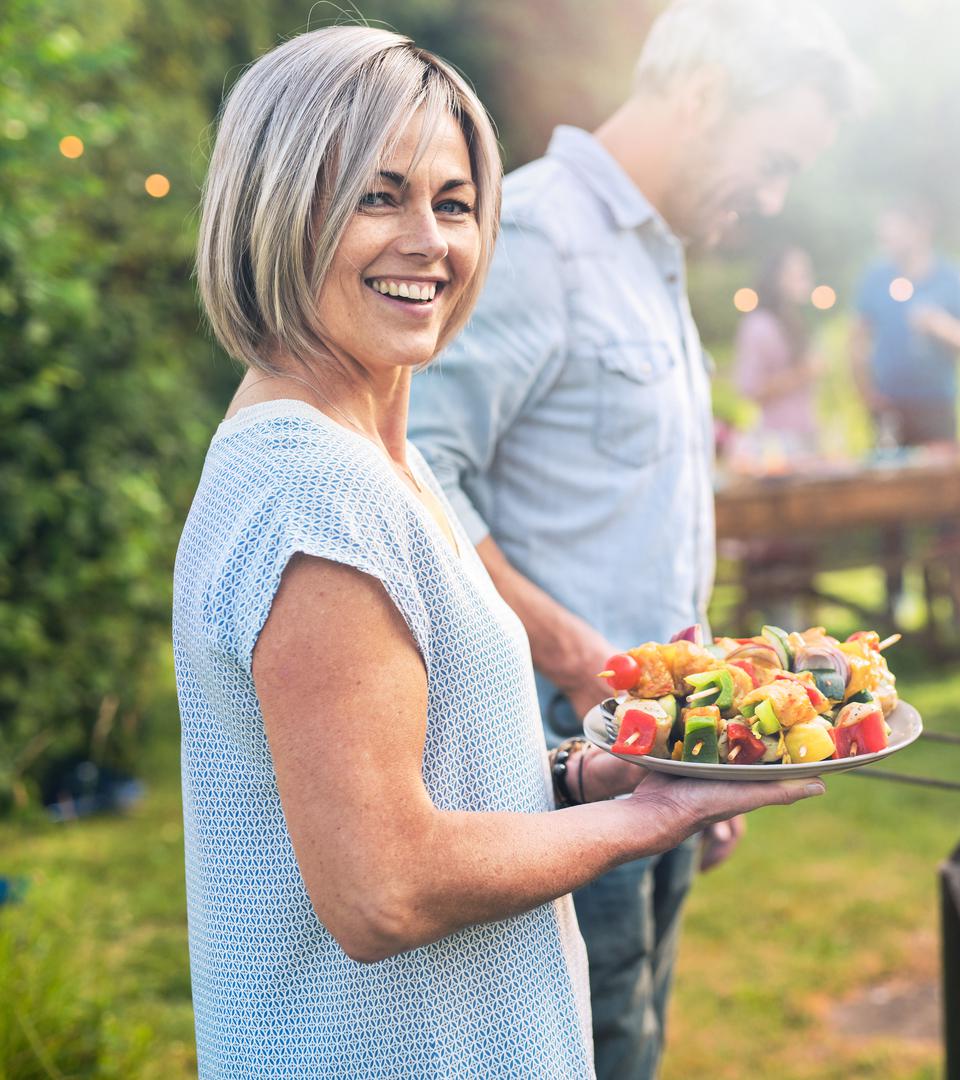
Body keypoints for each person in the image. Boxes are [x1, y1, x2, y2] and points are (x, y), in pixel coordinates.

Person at [174, 26, 823, 1078]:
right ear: (280, 207)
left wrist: (582, 776)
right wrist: (651, 817)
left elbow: (424, 778)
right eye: (378, 197)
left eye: (455, 203)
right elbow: (383, 889)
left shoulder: (377, 459)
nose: (429, 241)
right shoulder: (314, 491)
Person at [406, 4, 865, 1076]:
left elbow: (644, 535)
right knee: (589, 1048)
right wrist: (579, 662)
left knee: (635, 1040)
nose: (771, 197)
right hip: (553, 767)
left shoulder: (653, 257)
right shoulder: (533, 237)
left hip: (653, 752)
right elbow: (415, 477)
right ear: (702, 97)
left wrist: (702, 737)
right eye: (773, 161)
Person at [849, 202, 960, 619]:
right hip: (889, 410)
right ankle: (895, 600)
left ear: (920, 228)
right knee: (889, 507)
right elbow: (857, 338)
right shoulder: (876, 277)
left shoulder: (951, 277)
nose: (887, 239)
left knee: (947, 506)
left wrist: (939, 325)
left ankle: (956, 602)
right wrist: (866, 392)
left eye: (895, 229)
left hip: (937, 408)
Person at [734, 245, 822, 461]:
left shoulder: (793, 321)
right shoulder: (759, 325)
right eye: (798, 273)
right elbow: (750, 388)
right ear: (777, 278)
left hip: (805, 436)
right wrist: (802, 373)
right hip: (776, 442)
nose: (806, 280)